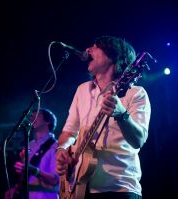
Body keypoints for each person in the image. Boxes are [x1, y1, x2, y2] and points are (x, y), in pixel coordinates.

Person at [56, 36, 151, 199]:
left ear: (113, 55)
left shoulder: (136, 93)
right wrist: (62, 150)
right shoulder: (82, 90)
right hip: (79, 189)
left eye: (95, 46)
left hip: (119, 188)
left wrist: (121, 114)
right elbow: (70, 132)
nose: (88, 50)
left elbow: (139, 140)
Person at [5, 108, 60, 199]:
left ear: (48, 121)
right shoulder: (29, 145)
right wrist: (15, 188)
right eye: (31, 115)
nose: (32, 117)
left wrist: (33, 170)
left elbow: (55, 180)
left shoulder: (56, 146)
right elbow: (26, 177)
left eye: (38, 115)